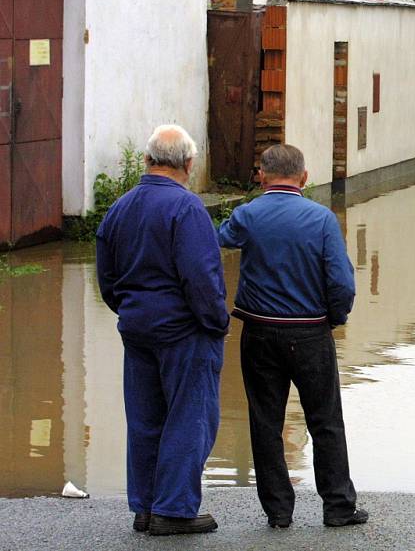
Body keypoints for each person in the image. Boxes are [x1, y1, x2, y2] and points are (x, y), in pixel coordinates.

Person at [218, 144, 367, 529]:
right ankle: (338, 507)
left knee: (265, 421)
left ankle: (278, 511)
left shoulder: (248, 215)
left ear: (261, 177)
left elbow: (222, 238)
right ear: (304, 177)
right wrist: (333, 319)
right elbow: (341, 283)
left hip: (259, 331)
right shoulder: (321, 219)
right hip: (310, 332)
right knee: (325, 421)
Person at [96, 125, 229, 536]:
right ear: (189, 164)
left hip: (136, 329)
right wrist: (217, 323)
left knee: (145, 419)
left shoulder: (119, 208)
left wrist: (131, 310)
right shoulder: (187, 210)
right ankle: (174, 509)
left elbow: (107, 278)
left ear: (147, 160)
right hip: (183, 331)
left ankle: (146, 507)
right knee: (189, 417)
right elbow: (201, 280)